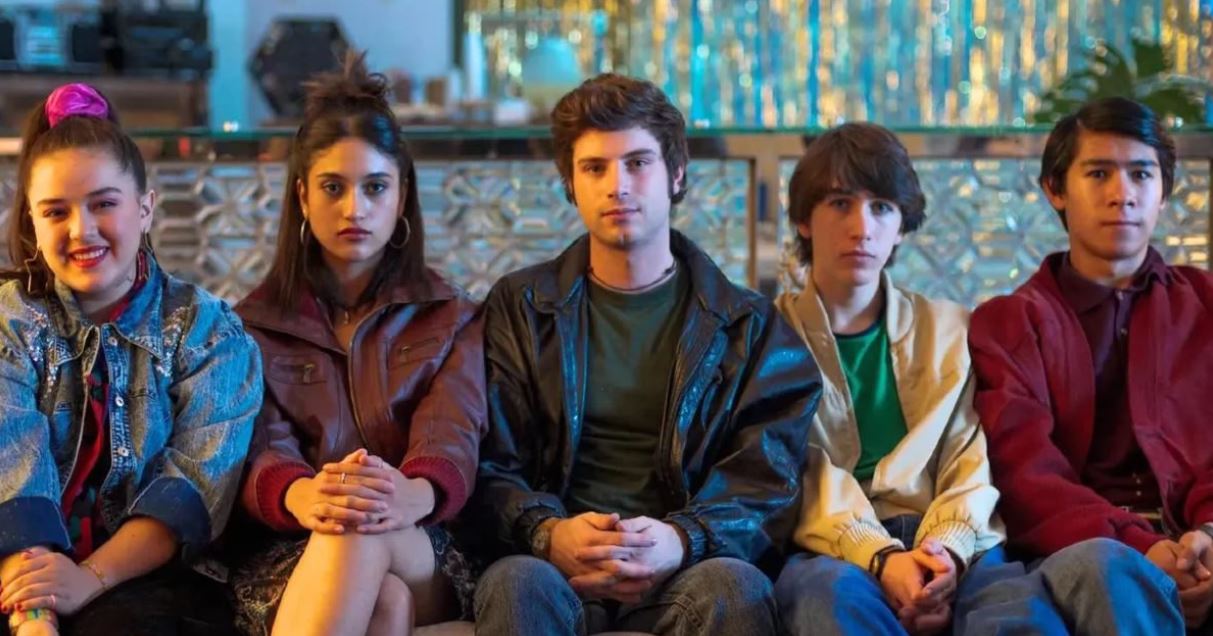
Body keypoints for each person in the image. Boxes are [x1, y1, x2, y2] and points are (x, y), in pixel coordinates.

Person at [468, 72, 821, 635]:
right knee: (515, 583)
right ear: (570, 183)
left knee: (734, 587)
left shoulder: (747, 325)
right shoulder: (521, 307)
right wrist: (547, 532)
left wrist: (683, 538)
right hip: (554, 566)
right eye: (594, 168)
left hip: (685, 568)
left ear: (675, 173)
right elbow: (487, 461)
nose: (617, 186)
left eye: (637, 163)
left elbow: (767, 481)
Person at [227, 53, 485, 636]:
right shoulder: (249, 326)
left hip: (419, 536)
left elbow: (453, 431)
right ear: (302, 197)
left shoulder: (452, 316)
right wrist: (303, 494)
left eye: (375, 187)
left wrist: (410, 492)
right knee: (383, 602)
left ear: (402, 194)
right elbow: (262, 445)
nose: (354, 209)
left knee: (359, 530)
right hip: (294, 543)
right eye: (332, 188)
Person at [0, 83, 262, 636]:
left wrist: (88, 578)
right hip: (17, 570)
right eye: (56, 212)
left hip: (151, 577)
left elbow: (194, 485)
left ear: (145, 209)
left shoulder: (209, 331)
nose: (81, 230)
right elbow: (12, 469)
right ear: (33, 223)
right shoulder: (9, 321)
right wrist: (35, 615)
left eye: (104, 204)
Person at [968, 97, 1206, 633]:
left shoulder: (1205, 305)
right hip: (1080, 547)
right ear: (1056, 189)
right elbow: (1025, 476)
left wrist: (1208, 535)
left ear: (1164, 190)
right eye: (1099, 173)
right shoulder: (1008, 324)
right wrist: (1144, 548)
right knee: (1108, 568)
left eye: (1141, 174)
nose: (1123, 194)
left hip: (1199, 538)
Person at [771, 122, 1012, 635]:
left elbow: (970, 458)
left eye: (881, 207)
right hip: (832, 546)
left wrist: (945, 555)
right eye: (840, 203)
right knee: (826, 597)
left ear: (902, 226)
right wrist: (880, 557)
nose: (862, 228)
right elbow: (795, 473)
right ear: (804, 220)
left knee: (1016, 608)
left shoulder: (950, 329)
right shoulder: (768, 336)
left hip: (949, 537)